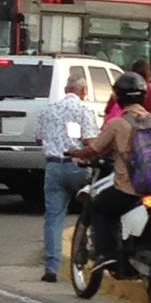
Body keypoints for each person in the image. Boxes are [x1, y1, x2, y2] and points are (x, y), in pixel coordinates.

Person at [71, 72, 151, 274]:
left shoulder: (117, 124)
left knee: (99, 206)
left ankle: (107, 254)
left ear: (118, 97)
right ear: (143, 96)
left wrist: (77, 153)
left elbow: (95, 149)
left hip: (129, 189)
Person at [35, 76, 100, 283]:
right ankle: (91, 253)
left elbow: (38, 137)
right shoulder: (84, 110)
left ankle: (52, 268)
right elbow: (90, 141)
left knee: (53, 218)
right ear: (83, 91)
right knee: (93, 209)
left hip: (53, 166)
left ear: (66, 89)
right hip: (78, 167)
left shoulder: (48, 110)